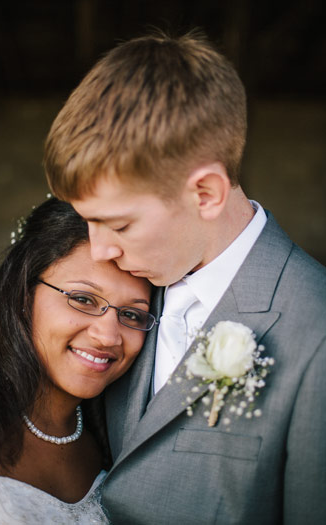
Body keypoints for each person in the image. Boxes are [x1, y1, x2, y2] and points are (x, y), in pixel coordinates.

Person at [43, 30, 326, 524]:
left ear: (207, 194)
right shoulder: (127, 288)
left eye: (121, 223)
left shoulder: (316, 334)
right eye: (88, 220)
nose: (100, 249)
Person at [0, 198, 155, 523]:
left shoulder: (123, 441)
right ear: (24, 292)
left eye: (131, 314)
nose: (108, 336)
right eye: (83, 299)